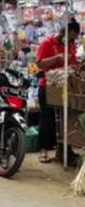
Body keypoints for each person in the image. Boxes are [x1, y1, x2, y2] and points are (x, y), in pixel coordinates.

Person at [36, 20, 80, 163]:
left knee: (65, 120)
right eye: (70, 36)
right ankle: (43, 151)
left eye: (74, 37)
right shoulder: (48, 43)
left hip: (65, 87)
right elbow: (39, 63)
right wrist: (57, 58)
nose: (71, 40)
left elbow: (73, 62)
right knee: (47, 120)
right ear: (63, 32)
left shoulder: (71, 44)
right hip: (48, 86)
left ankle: (64, 151)